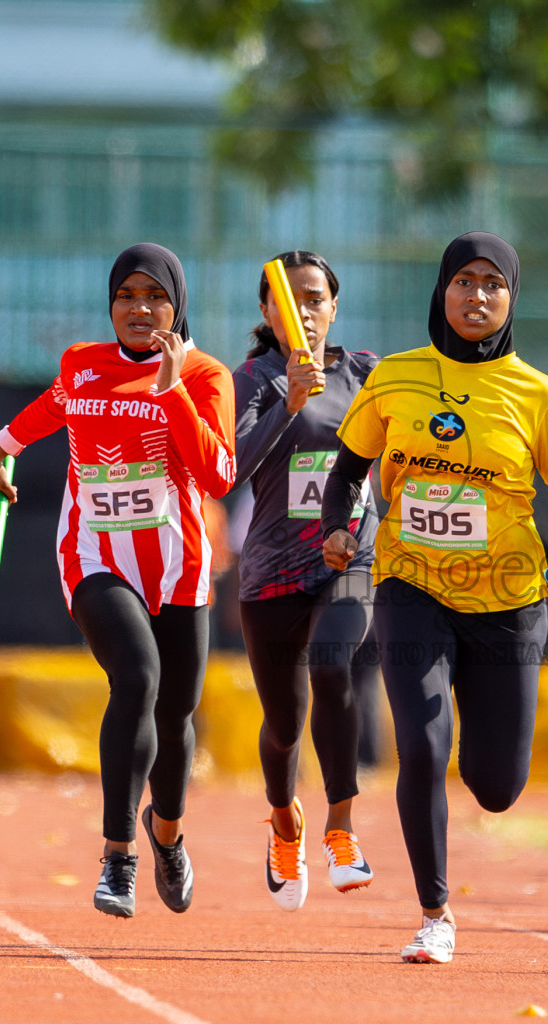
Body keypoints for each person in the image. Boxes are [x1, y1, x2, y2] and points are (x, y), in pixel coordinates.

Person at [320, 231, 548, 963]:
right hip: (411, 585)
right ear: (441, 291)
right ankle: (434, 912)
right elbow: (346, 474)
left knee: (497, 785)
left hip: (508, 599)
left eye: (493, 285)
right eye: (464, 282)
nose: (478, 297)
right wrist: (339, 530)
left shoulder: (535, 393)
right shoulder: (395, 377)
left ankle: (485, 762)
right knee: (422, 745)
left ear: (510, 299)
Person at [0, 243, 235, 919]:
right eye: (126, 296)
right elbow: (33, 420)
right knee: (137, 679)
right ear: (110, 303)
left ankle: (167, 835)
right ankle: (118, 856)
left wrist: (171, 389)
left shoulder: (206, 375)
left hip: (178, 568)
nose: (140, 310)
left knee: (176, 717)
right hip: (95, 556)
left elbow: (218, 477)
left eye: (155, 297)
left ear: (178, 306)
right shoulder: (82, 365)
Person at [231, 250, 380, 910]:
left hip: (347, 560)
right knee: (284, 725)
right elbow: (229, 469)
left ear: (333, 307)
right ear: (268, 312)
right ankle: (283, 820)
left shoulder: (365, 374)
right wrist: (289, 401)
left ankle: (341, 827)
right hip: (270, 572)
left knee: (334, 664)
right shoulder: (253, 378)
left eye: (316, 298)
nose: (305, 310)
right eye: (289, 300)